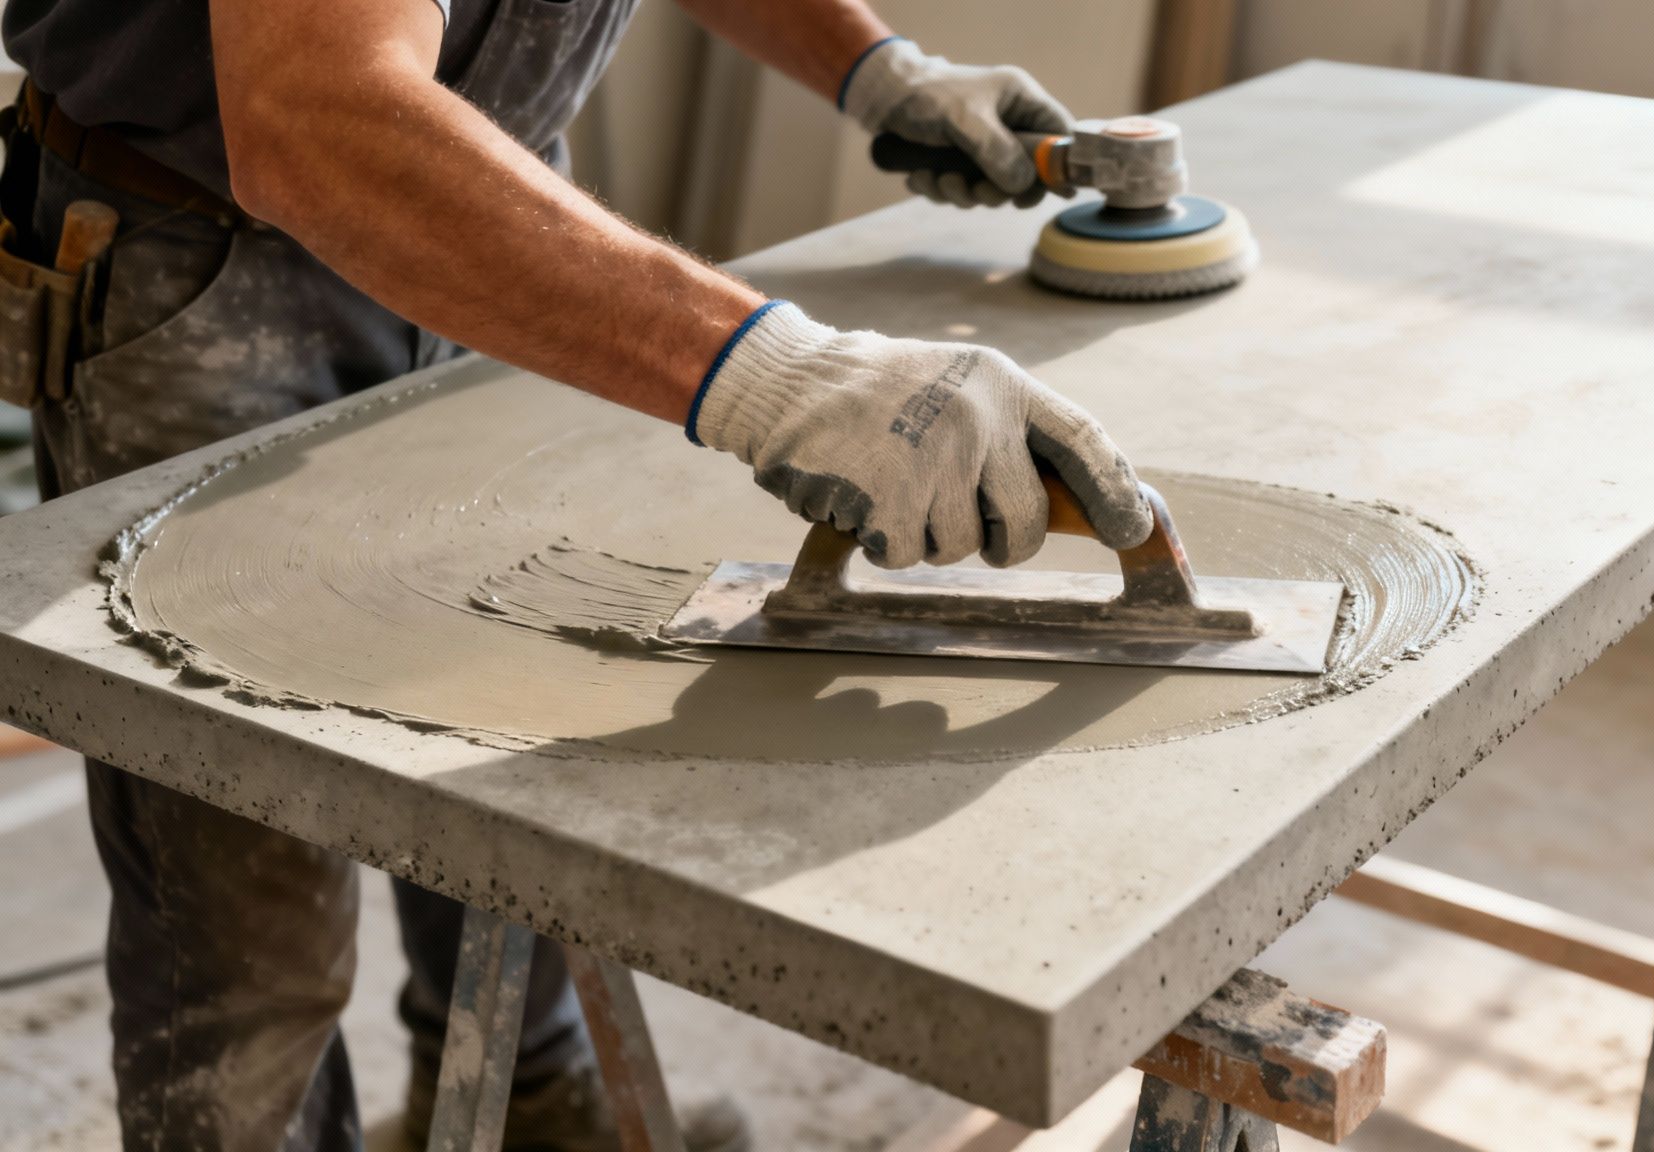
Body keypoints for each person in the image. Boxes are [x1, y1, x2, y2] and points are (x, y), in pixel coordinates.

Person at [0, 0, 1152, 1147]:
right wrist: (781, 375)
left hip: (487, 216)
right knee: (255, 932)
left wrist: (875, 67)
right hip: (203, 259)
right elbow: (311, 114)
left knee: (513, 732)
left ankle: (532, 1104)